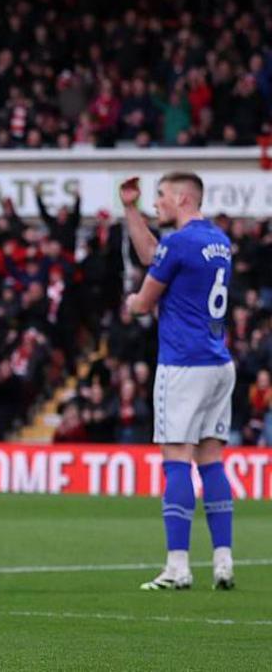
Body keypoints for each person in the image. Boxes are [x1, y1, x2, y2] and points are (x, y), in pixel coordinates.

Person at [121, 173, 235, 591]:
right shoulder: (218, 240)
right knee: (211, 460)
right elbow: (156, 253)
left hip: (183, 364)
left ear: (183, 197)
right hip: (219, 362)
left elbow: (144, 302)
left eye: (161, 197)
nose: (157, 205)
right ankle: (223, 561)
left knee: (176, 459)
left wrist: (133, 302)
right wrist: (129, 209)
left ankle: (178, 566)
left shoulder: (179, 243)